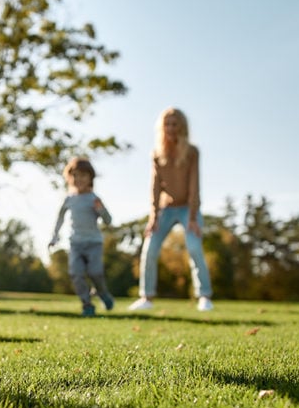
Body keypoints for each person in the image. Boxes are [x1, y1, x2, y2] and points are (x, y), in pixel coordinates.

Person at [128, 107, 213, 312]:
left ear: (182, 127)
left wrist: (192, 217)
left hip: (187, 209)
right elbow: (155, 188)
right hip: (166, 209)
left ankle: (204, 296)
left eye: (175, 124)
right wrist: (153, 217)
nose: (171, 128)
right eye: (167, 124)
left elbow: (194, 186)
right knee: (149, 248)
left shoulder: (192, 152)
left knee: (194, 247)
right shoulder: (157, 154)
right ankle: (146, 297)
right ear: (162, 127)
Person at [49, 157, 114, 317]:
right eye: (75, 175)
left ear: (90, 178)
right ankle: (87, 304)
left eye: (83, 176)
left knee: (95, 273)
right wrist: (55, 237)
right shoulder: (69, 199)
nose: (79, 179)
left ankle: (102, 293)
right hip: (76, 244)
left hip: (94, 243)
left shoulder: (94, 199)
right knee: (76, 274)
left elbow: (108, 221)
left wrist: (100, 210)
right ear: (69, 177)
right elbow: (60, 218)